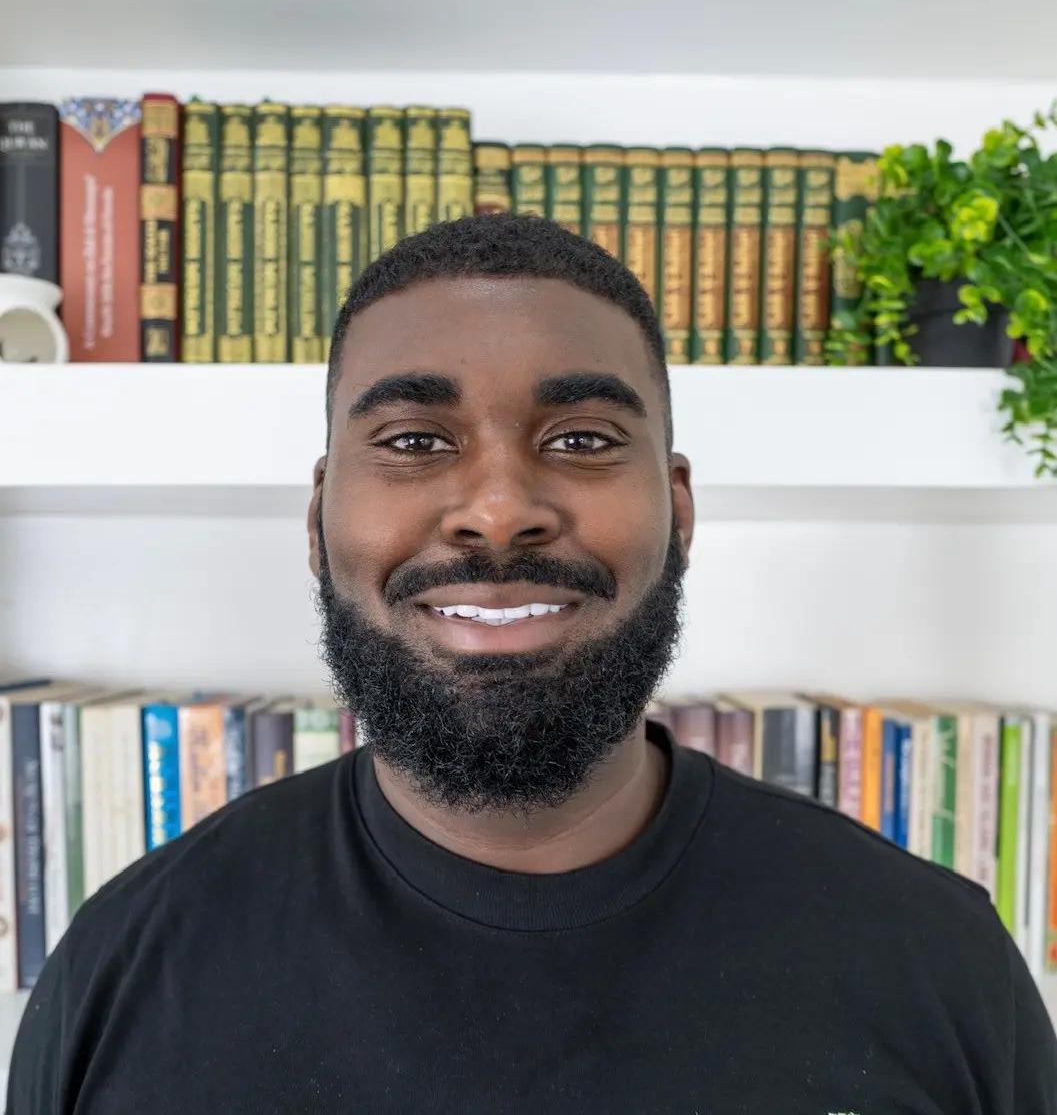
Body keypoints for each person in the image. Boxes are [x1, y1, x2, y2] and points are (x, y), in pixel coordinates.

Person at [8, 213, 1056, 1113]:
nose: (501, 507)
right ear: (320, 514)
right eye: (416, 440)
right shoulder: (126, 971)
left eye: (585, 437)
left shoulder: (934, 962)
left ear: (678, 508)